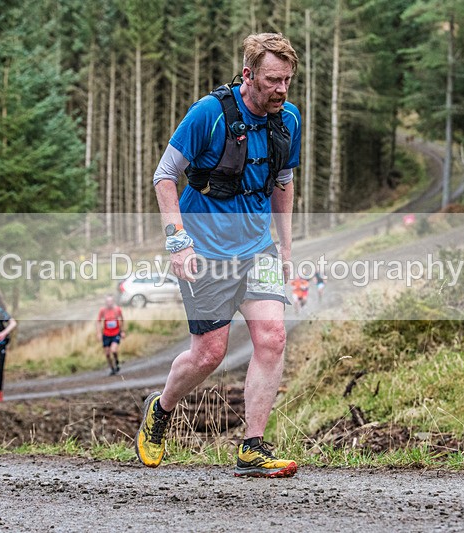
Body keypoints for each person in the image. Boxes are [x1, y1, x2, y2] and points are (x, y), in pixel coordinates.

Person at [137, 33, 301, 478]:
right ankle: (161, 409)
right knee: (209, 353)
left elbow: (283, 181)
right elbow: (164, 175)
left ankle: (252, 447)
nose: (282, 89)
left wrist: (285, 245)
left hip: (257, 248)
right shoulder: (208, 114)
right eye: (273, 80)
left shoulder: (288, 119)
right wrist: (178, 241)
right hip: (204, 250)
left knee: (272, 337)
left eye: (287, 80)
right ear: (248, 75)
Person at [97, 295, 125, 375]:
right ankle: (112, 369)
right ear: (105, 302)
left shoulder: (117, 310)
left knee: (113, 350)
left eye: (110, 301)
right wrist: (99, 333)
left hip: (116, 333)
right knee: (107, 354)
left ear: (113, 302)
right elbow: (98, 321)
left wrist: (122, 331)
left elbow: (122, 319)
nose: (109, 303)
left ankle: (117, 362)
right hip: (106, 334)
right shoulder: (102, 311)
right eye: (107, 301)